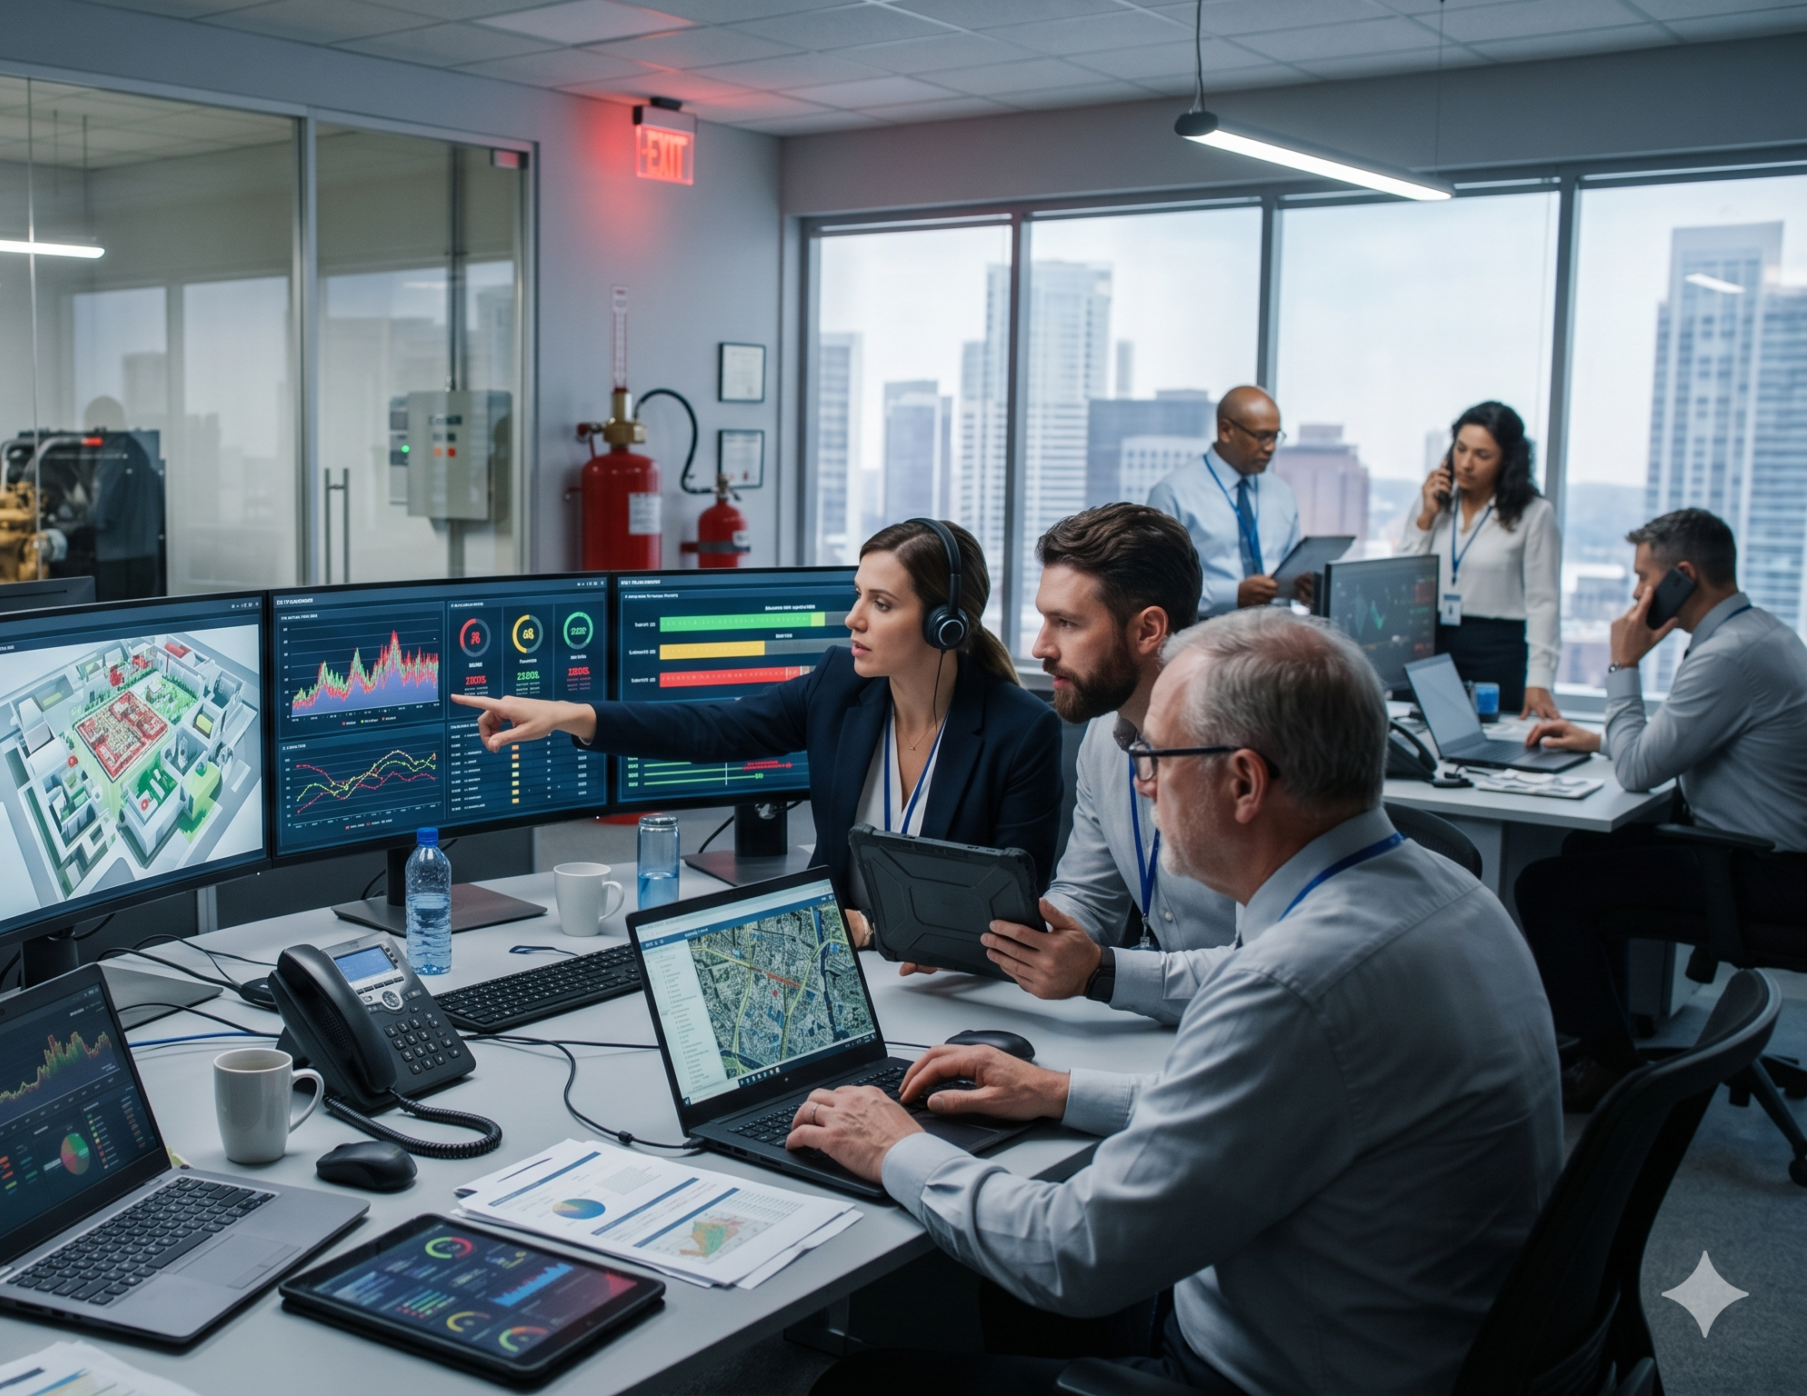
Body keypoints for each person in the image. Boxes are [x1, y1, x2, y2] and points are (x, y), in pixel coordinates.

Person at [791, 608, 1562, 1396]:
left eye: (1154, 755)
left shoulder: (1293, 987)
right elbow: (1288, 1103)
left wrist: (894, 1148)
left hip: (1258, 1378)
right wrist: (1059, 1093)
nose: (1142, 781)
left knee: (860, 1386)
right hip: (1419, 1343)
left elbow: (1074, 1256)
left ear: (1244, 782)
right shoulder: (1453, 894)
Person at [452, 520, 1063, 914]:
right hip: (835, 965)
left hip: (948, 993)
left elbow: (1011, 908)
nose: (853, 619)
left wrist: (882, 935)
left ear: (945, 625)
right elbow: (714, 726)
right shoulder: (839, 686)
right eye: (858, 595)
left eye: (881, 604)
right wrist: (571, 714)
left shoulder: (1018, 730)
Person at [1515, 508, 1807, 1109]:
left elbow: (1641, 770)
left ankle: (1609, 1066)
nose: (1633, 593)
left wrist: (1623, 663)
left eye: (1642, 579)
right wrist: (1599, 738)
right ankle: (1607, 1043)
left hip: (1764, 872)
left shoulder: (1726, 656)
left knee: (1547, 887)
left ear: (1682, 576)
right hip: (1769, 854)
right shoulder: (1758, 633)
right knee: (1583, 851)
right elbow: (1681, 742)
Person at [947, 503, 1242, 1026]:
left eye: (1066, 623)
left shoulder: (1246, 756)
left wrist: (1101, 973)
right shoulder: (1103, 738)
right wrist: (991, 944)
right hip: (1161, 1035)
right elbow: (1088, 900)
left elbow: (1265, 972)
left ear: (1148, 629)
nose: (1040, 647)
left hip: (1254, 1037)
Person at [1399, 401, 1561, 718]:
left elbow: (1544, 603)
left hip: (1497, 650)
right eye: (1460, 449)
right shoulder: (1433, 500)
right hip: (1431, 643)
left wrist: (1540, 680)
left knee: (1491, 743)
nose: (1466, 463)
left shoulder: (1535, 513)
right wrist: (1426, 519)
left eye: (1482, 455)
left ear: (1507, 460)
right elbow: (1405, 579)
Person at [1145, 387, 1299, 617]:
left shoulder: (1281, 493)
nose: (1271, 448)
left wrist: (1301, 584)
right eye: (1262, 436)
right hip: (1207, 639)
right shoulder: (1172, 493)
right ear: (1226, 430)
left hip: (1276, 635)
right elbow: (1158, 585)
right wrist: (1233, 594)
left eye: (1275, 436)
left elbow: (1290, 564)